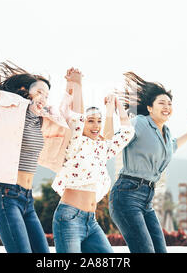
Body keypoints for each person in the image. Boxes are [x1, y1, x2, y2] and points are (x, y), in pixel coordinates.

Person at [0, 55, 83, 253]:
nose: (44, 96)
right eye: (40, 91)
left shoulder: (46, 117)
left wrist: (76, 86)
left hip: (27, 199)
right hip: (6, 197)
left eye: (47, 94)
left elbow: (76, 122)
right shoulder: (4, 103)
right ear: (25, 91)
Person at [108, 72, 187, 253]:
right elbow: (120, 134)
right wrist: (114, 111)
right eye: (161, 103)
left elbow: (172, 147)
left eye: (169, 103)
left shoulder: (165, 132)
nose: (167, 106)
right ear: (150, 108)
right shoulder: (140, 123)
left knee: (160, 250)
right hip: (127, 195)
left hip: (147, 198)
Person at [51, 91, 134, 253]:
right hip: (69, 218)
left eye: (99, 121)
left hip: (91, 220)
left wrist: (116, 105)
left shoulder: (102, 149)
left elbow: (127, 132)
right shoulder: (75, 144)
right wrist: (77, 84)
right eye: (91, 121)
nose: (96, 126)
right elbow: (77, 118)